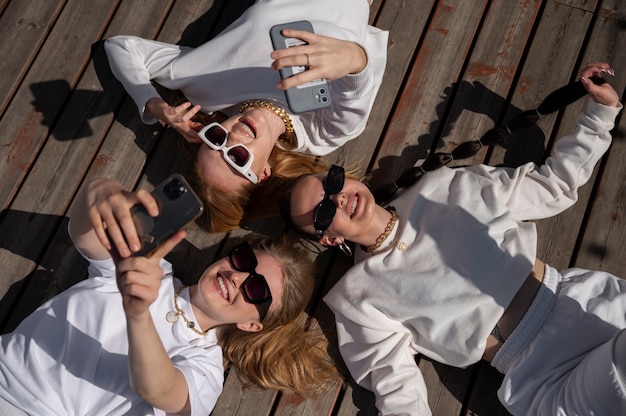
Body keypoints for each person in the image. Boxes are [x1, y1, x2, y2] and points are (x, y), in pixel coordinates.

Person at [283, 62, 626, 415]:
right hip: (543, 373)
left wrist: (600, 115)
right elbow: (395, 383)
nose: (337, 198)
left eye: (333, 183)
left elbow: (550, 186)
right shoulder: (357, 298)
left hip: (585, 301)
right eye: (323, 212)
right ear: (328, 239)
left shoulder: (444, 187)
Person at [0, 178, 337, 415]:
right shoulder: (153, 265)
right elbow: (84, 235)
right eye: (244, 260)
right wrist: (103, 193)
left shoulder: (204, 368)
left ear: (252, 324)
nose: (236, 277)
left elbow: (161, 391)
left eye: (256, 289)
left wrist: (139, 313)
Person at [104, 0, 388, 231]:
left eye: (215, 140)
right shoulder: (323, 132)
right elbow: (356, 86)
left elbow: (121, 47)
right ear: (264, 173)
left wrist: (153, 103)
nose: (233, 139)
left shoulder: (206, 87)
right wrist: (353, 59)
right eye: (238, 159)